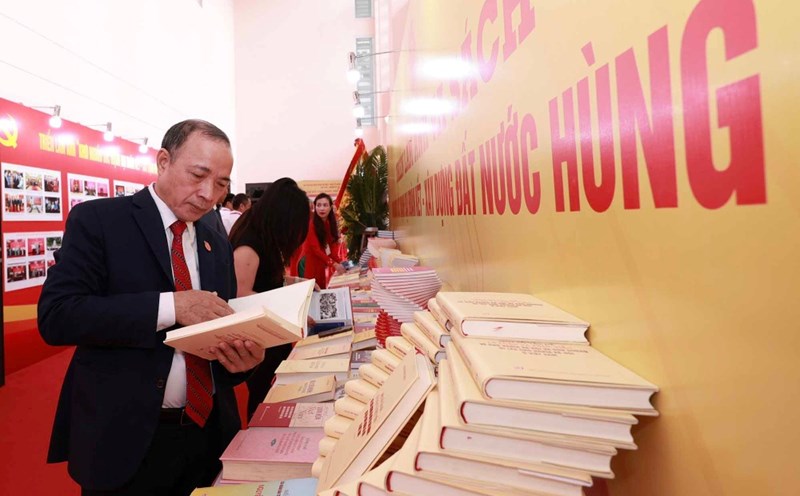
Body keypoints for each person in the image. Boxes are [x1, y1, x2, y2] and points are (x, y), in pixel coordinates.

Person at [38, 119, 266, 496]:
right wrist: (171, 306)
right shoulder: (100, 221)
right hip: (125, 441)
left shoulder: (214, 239)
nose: (209, 193)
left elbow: (217, 333)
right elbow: (59, 315)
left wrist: (240, 362)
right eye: (198, 175)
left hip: (208, 435)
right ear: (163, 161)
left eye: (222, 184)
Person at [228, 178, 310, 418]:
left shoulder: (263, 233)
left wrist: (295, 283)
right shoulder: (249, 245)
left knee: (272, 393)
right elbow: (241, 297)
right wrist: (289, 305)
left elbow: (269, 279)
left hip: (271, 332)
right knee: (263, 395)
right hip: (260, 337)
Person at [301, 192, 345, 289]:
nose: (321, 208)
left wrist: (339, 262)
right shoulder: (311, 225)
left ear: (330, 207)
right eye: (318, 205)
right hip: (310, 263)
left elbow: (330, 248)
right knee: (311, 290)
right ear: (314, 207)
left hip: (321, 262)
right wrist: (334, 264)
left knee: (321, 288)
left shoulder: (329, 224)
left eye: (325, 205)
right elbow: (315, 249)